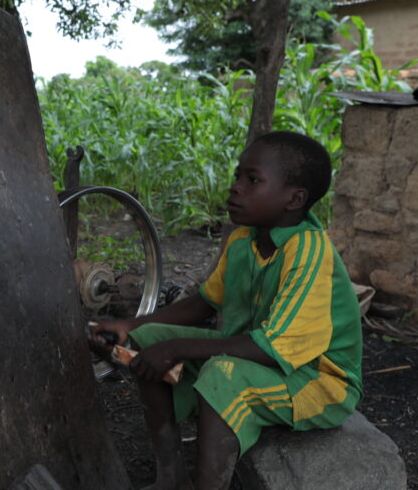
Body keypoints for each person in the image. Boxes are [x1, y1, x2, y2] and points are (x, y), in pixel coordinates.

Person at [89, 131, 362, 490]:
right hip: (258, 357)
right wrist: (129, 324)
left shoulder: (308, 250)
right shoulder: (242, 241)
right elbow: (204, 302)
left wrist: (176, 349)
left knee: (222, 374)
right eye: (237, 177)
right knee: (146, 340)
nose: (236, 187)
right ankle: (170, 479)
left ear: (294, 199)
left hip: (317, 381)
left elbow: (271, 348)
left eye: (252, 180)